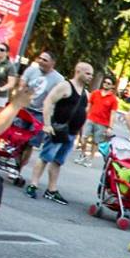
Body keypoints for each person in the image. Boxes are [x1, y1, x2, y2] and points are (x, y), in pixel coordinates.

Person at [25, 61, 90, 201]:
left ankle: (51, 189)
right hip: (58, 129)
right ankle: (33, 184)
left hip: (71, 133)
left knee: (58, 161)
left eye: (91, 74)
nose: (90, 76)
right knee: (45, 157)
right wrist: (47, 124)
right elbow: (48, 102)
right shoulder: (65, 86)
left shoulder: (85, 93)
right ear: (78, 71)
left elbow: (84, 114)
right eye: (87, 73)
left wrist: (82, 134)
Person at [79, 77, 118, 164]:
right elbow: (88, 106)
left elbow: (113, 114)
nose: (106, 84)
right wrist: (83, 117)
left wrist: (110, 127)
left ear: (112, 86)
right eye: (105, 82)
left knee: (95, 142)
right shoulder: (95, 93)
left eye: (108, 83)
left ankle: (90, 159)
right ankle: (82, 154)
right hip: (90, 119)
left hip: (102, 123)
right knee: (83, 138)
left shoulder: (113, 99)